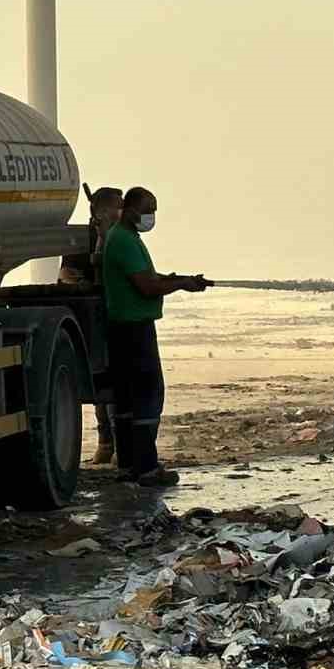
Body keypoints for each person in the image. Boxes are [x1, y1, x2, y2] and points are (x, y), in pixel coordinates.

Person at [101, 187, 209, 488]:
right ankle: (147, 468)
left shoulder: (124, 238)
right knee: (148, 396)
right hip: (134, 329)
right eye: (149, 209)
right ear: (132, 209)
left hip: (122, 328)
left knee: (127, 400)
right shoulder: (124, 240)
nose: (152, 216)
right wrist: (179, 285)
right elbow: (146, 288)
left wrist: (177, 280)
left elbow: (146, 277)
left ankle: (128, 466)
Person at [59, 185, 126, 465]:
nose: (122, 211)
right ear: (102, 210)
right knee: (102, 386)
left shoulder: (120, 237)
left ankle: (119, 445)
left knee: (117, 385)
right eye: (118, 206)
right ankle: (106, 443)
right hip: (92, 319)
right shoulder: (83, 238)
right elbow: (67, 274)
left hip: (117, 316)